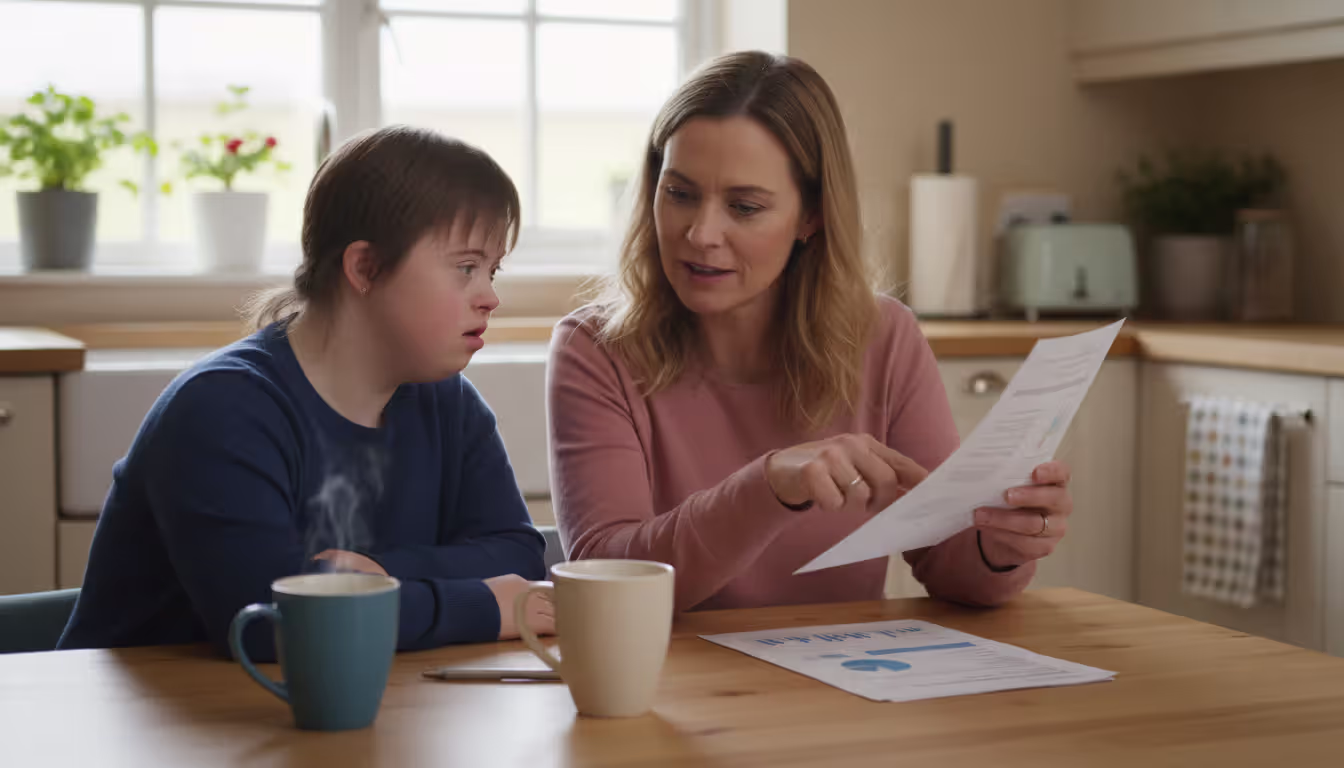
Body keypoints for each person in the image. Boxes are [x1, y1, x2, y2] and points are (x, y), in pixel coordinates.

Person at [547, 52, 1074, 613]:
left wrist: (1000, 548)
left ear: (811, 217)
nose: (700, 233)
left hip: (841, 685)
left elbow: (956, 571)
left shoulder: (884, 338)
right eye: (679, 193)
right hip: (664, 690)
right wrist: (768, 486)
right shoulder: (595, 349)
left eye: (744, 207)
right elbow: (604, 577)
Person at [60, 126, 552, 660]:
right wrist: (482, 606)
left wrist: (379, 574)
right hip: (136, 728)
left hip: (332, 713)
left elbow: (518, 556)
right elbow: (275, 623)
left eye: (492, 270)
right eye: (465, 268)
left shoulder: (448, 403)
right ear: (364, 267)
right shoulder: (223, 408)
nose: (491, 297)